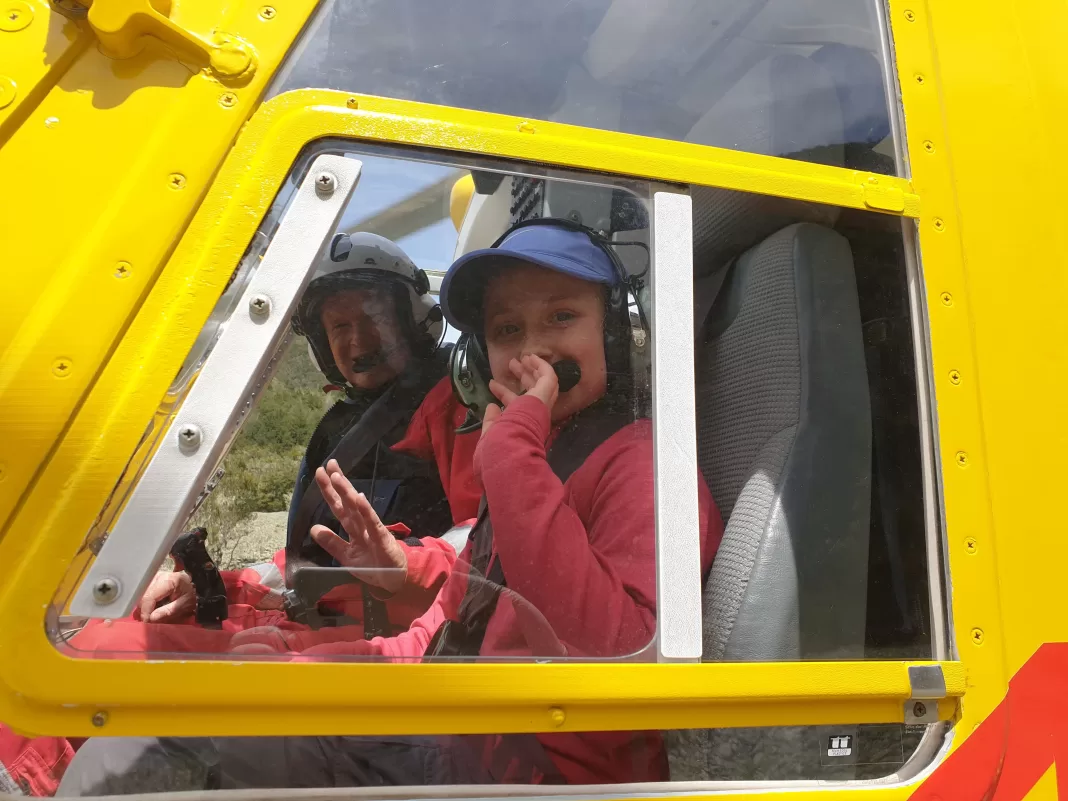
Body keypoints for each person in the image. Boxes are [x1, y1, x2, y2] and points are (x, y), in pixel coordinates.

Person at [59, 219, 723, 794]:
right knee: (161, 690)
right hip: (461, 710)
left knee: (148, 744)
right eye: (507, 328)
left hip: (532, 765)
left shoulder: (635, 463)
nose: (532, 347)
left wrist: (508, 451)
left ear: (617, 334)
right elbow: (458, 619)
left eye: (562, 317)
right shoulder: (540, 449)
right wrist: (311, 665)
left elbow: (608, 657)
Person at [69, 233, 481, 656]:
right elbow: (304, 563)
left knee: (105, 655)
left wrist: (402, 563)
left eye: (375, 317)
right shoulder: (342, 425)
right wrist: (216, 587)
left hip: (400, 631)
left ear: (414, 319)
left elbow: (484, 538)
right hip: (318, 614)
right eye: (339, 326)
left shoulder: (455, 401)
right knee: (114, 628)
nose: (358, 340)